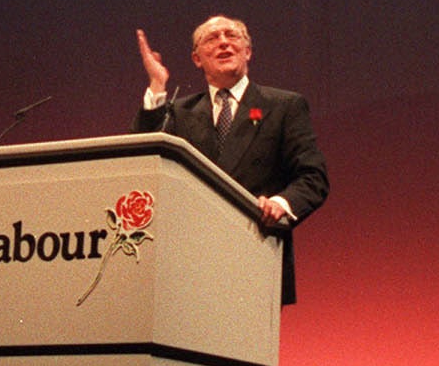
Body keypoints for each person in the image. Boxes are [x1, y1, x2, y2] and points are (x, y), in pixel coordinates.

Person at [132, 15, 328, 303]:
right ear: (197, 59)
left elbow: (313, 177)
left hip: (255, 254)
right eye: (212, 38)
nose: (223, 42)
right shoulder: (179, 112)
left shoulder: (283, 106)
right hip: (189, 265)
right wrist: (157, 86)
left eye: (232, 36)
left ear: (247, 52)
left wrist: (281, 203)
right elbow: (143, 158)